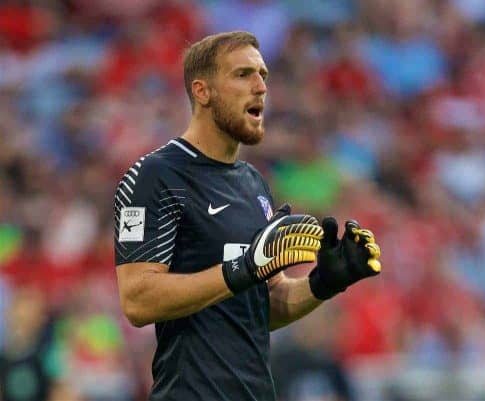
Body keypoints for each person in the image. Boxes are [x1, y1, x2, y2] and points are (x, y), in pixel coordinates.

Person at [113, 31, 382, 401]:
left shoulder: (253, 184)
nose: (260, 87)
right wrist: (241, 269)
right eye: (243, 74)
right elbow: (137, 300)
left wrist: (323, 283)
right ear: (202, 91)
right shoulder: (154, 176)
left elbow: (263, 305)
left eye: (263, 75)